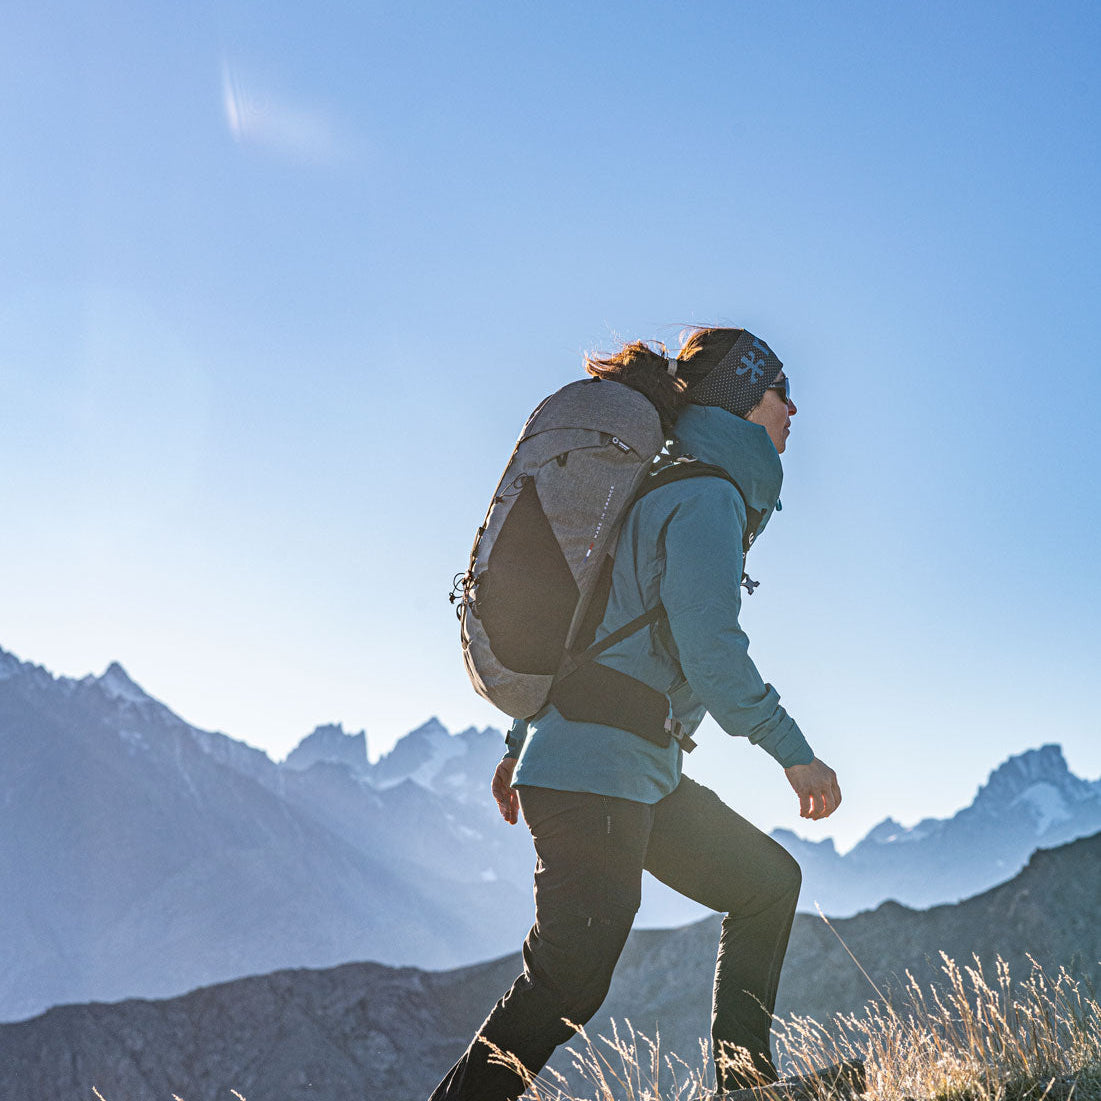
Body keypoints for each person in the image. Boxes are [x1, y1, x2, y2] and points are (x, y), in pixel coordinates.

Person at [429, 326, 843, 1101]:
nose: (794, 408)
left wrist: (520, 740)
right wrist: (793, 750)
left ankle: (745, 1085)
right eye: (780, 390)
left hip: (628, 769)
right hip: (599, 769)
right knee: (567, 981)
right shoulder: (704, 495)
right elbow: (710, 652)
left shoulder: (669, 484)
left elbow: (580, 623)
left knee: (764, 883)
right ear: (742, 400)